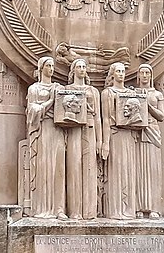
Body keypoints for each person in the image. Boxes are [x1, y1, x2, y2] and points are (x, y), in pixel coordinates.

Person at [26, 57, 67, 219]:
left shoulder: (58, 88)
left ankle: (59, 209)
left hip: (57, 129)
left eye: (52, 66)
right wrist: (50, 101)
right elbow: (32, 110)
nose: (51, 68)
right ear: (41, 68)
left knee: (58, 168)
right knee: (44, 167)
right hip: (42, 130)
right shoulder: (34, 89)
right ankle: (41, 208)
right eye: (48, 66)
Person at [66, 59, 102, 219]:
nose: (81, 69)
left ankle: (89, 211)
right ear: (73, 70)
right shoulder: (66, 89)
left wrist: (101, 141)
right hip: (73, 130)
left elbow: (99, 118)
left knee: (90, 168)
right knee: (74, 168)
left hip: (90, 128)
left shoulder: (94, 91)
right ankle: (74, 211)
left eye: (84, 67)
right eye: (79, 67)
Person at [101, 62, 137, 219]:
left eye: (123, 71)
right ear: (113, 74)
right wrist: (104, 142)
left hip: (128, 135)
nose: (121, 74)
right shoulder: (107, 93)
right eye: (118, 71)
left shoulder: (131, 94)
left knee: (128, 171)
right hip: (114, 135)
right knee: (115, 171)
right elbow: (105, 119)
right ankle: (115, 210)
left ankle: (128, 209)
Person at [135, 63, 164, 219]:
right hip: (137, 132)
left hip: (152, 131)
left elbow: (161, 116)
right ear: (138, 76)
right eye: (142, 72)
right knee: (138, 171)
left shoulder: (157, 94)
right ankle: (138, 207)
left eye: (147, 72)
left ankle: (154, 207)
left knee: (152, 170)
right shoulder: (133, 93)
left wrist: (148, 106)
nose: (145, 75)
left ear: (151, 75)